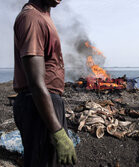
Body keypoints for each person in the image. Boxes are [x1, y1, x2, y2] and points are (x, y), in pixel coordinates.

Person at [13, 0, 77, 166]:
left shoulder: (42, 16)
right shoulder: (32, 18)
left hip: (45, 102)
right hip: (39, 104)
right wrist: (58, 132)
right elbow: (35, 82)